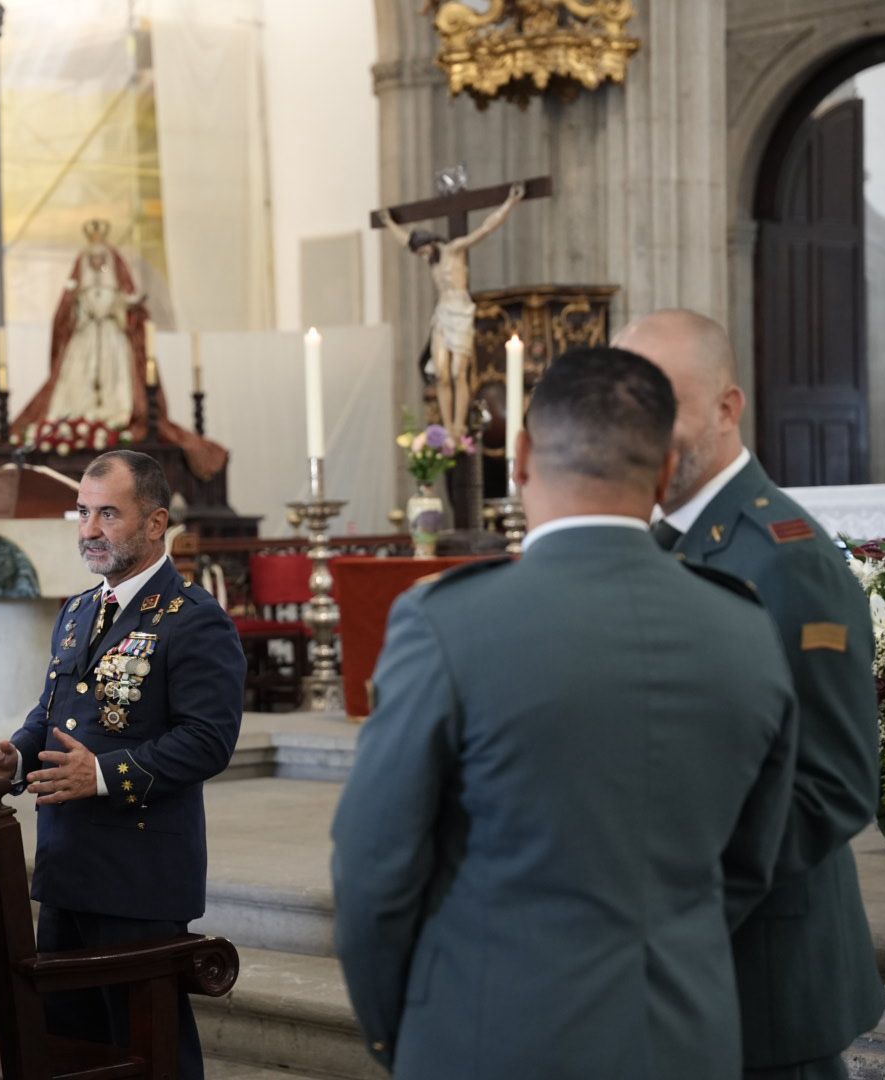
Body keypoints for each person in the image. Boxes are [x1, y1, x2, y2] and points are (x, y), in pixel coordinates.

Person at [331, 346, 800, 1079]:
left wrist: (403, 1032)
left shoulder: (449, 623)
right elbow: (748, 862)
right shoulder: (746, 628)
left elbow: (373, 870)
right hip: (687, 1038)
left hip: (493, 1035)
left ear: (518, 457)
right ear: (667, 469)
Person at [616, 309, 884, 1080]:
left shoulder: (783, 560)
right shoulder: (671, 543)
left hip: (765, 975)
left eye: (661, 400)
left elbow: (833, 785)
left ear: (728, 408)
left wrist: (682, 904)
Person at [0, 449, 245, 1079]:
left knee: (151, 1051)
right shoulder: (80, 610)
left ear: (156, 521)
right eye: (82, 512)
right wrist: (17, 754)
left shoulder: (194, 620)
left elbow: (209, 740)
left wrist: (105, 775)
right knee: (71, 1050)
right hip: (67, 867)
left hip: (140, 874)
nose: (88, 529)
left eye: (107, 513)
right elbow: (52, 713)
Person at [6, 221, 227, 481]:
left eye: (102, 258)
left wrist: (119, 308)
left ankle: (113, 418)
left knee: (118, 383)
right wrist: (82, 309)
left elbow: (131, 305)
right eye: (93, 258)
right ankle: (77, 419)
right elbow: (65, 313)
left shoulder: (116, 279)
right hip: (86, 337)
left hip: (112, 338)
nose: (98, 262)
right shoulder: (80, 284)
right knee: (75, 380)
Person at [379, 183, 523, 438]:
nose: (423, 256)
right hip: (443, 312)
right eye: (419, 253)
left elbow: (485, 229)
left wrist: (509, 204)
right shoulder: (431, 259)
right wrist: (389, 222)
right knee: (442, 373)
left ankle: (459, 424)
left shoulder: (453, 250)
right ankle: (447, 426)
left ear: (431, 242)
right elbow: (404, 240)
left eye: (423, 250)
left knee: (459, 372)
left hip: (461, 310)